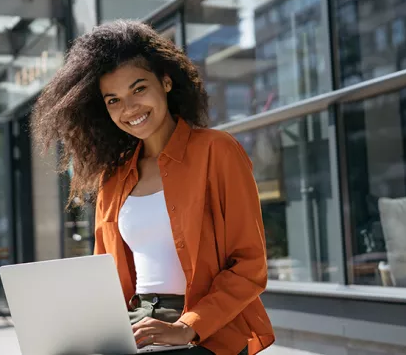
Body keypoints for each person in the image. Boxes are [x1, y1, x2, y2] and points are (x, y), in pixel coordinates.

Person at [32, 20, 275, 355]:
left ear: (165, 81)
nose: (129, 109)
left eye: (139, 89)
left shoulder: (217, 151)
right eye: (113, 100)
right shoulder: (113, 178)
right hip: (137, 325)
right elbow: (106, 275)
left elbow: (250, 265)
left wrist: (185, 327)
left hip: (207, 330)